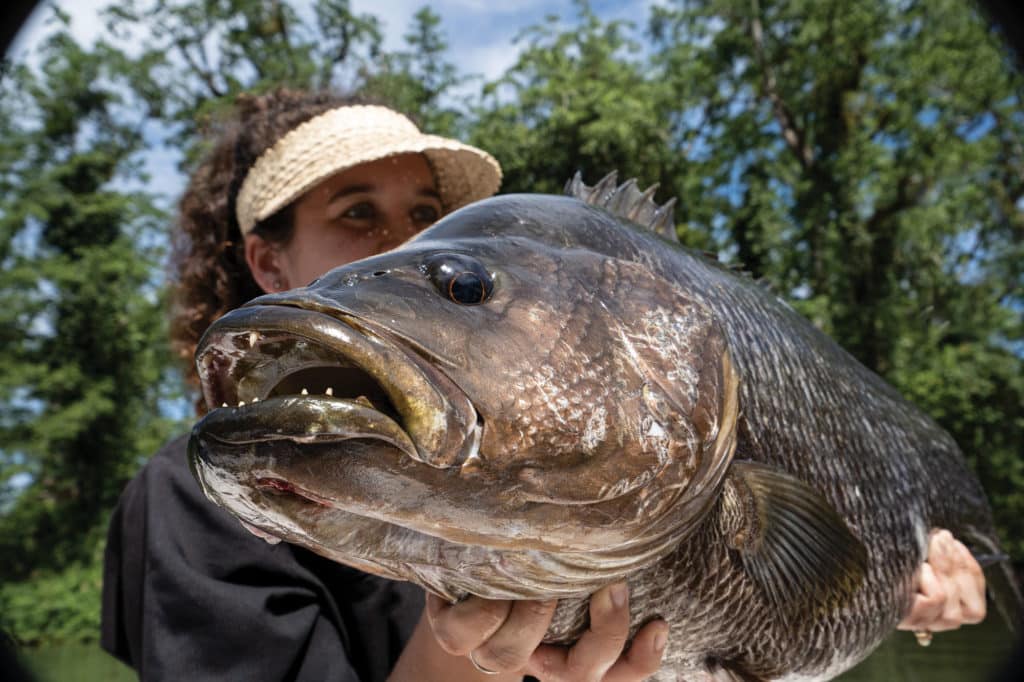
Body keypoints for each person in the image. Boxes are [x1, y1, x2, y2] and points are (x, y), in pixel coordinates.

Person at [100, 88, 986, 682]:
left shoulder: (551, 477)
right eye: (356, 215)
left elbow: (805, 599)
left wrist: (903, 589)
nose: (393, 248)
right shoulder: (189, 502)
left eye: (432, 236)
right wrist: (472, 662)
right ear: (268, 260)